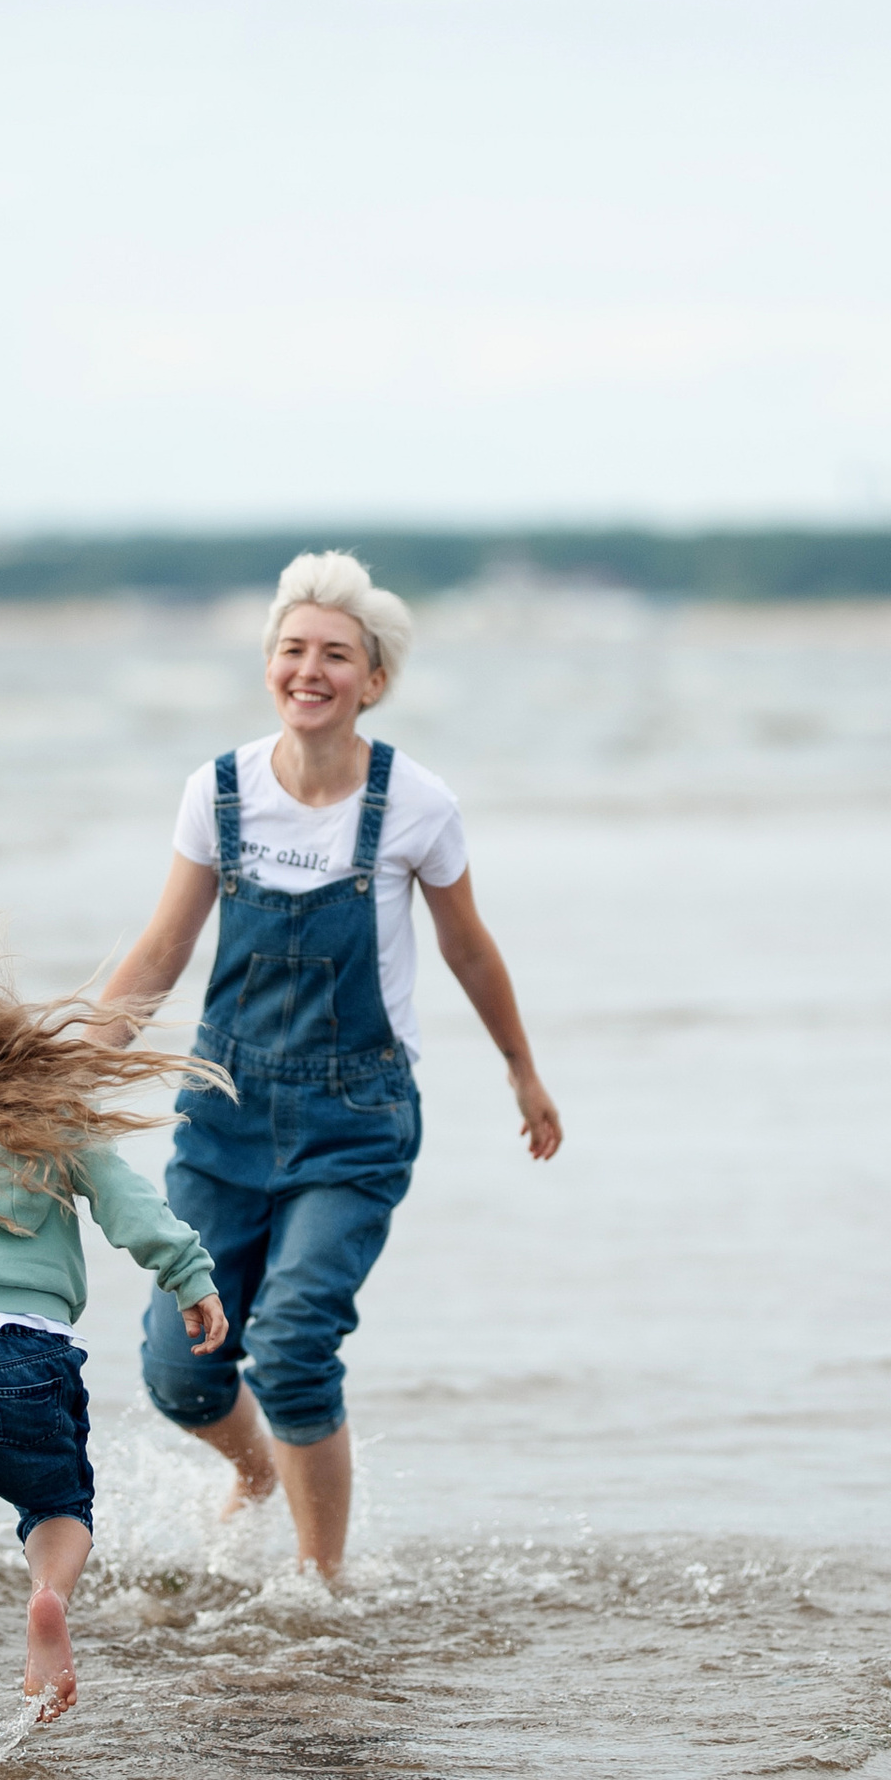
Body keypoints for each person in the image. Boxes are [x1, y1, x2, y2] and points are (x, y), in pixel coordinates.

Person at [98, 549, 561, 1579]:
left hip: (354, 1122)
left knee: (296, 1343)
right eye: (293, 649)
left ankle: (318, 1588)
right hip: (221, 1121)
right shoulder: (217, 792)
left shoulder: (415, 804)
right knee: (182, 1373)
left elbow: (468, 946)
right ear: (269, 664)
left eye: (336, 655)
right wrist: (65, 1066)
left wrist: (520, 1070)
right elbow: (162, 951)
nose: (311, 669)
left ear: (374, 678)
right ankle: (255, 1473)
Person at [0, 924, 228, 1743]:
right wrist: (188, 1274)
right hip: (27, 1352)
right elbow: (130, 1207)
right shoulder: (48, 1114)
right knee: (57, 1504)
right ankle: (45, 1597)